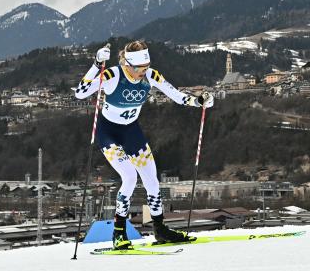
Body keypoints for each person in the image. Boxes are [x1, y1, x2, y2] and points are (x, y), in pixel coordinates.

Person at [74, 41, 214, 249]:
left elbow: (176, 95)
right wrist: (96, 64)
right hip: (109, 134)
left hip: (131, 132)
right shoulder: (113, 76)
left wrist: (198, 101)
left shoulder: (151, 76)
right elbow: (80, 92)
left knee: (152, 180)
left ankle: (160, 229)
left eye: (146, 67)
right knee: (129, 177)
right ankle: (119, 232)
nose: (144, 72)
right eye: (140, 68)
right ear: (128, 64)